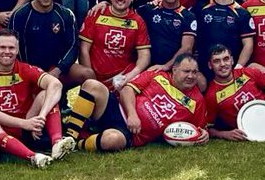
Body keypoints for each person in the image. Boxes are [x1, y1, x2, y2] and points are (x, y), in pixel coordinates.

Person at [61, 53, 208, 153]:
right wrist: (132, 115)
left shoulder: (197, 102)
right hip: (118, 109)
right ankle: (69, 137)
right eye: (186, 71)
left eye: (195, 72)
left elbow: (201, 128)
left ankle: (78, 144)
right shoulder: (157, 75)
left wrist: (204, 134)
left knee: (111, 140)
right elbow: (127, 90)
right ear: (174, 70)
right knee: (92, 85)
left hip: (130, 134)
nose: (191, 76)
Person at [0, 30, 72, 167]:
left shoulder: (24, 68)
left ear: (17, 49)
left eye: (11, 48)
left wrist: (41, 117)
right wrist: (24, 124)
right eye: (2, 47)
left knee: (46, 95)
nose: (7, 51)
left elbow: (55, 84)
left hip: (28, 125)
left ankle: (57, 143)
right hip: (1, 129)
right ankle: (33, 157)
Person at [10, 0, 92, 87]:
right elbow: (16, 50)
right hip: (30, 71)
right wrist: (34, 73)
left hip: (57, 70)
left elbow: (73, 46)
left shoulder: (66, 14)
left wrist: (58, 69)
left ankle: (72, 102)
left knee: (87, 74)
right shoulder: (21, 15)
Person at [79, 0, 150, 89]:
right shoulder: (96, 14)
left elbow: (144, 55)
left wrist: (128, 76)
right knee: (88, 103)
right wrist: (91, 80)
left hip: (122, 78)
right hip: (95, 77)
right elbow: (84, 49)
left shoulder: (138, 21)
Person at [195, 0, 256, 79]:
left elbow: (248, 45)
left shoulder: (242, 13)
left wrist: (238, 67)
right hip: (205, 71)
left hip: (230, 72)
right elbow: (195, 43)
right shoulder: (203, 11)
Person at [135, 0, 197, 70]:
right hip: (148, 67)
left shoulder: (188, 16)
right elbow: (125, 12)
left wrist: (166, 66)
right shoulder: (148, 9)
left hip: (173, 68)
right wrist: (106, 5)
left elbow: (187, 48)